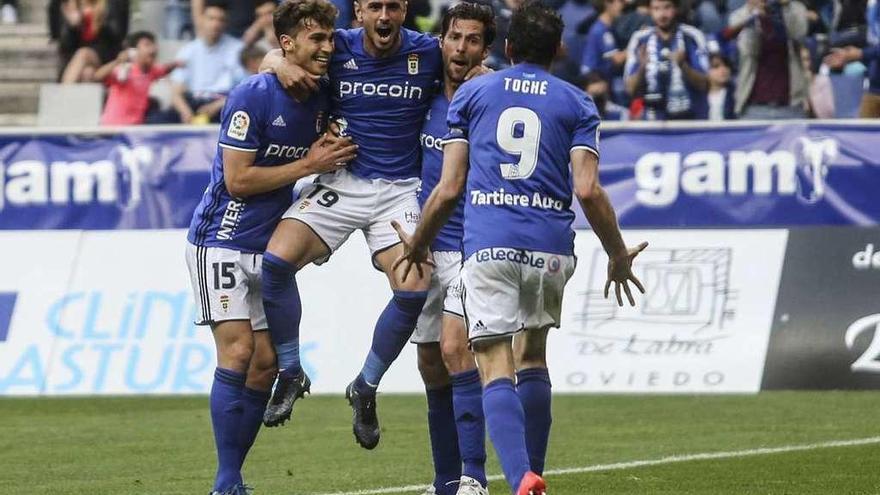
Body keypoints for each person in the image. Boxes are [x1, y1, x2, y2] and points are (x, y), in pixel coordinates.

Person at [393, 1, 647, 493]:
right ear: (559, 49)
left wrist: (419, 242)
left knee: (491, 362)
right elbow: (589, 190)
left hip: (490, 245)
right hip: (552, 249)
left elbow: (448, 189)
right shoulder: (577, 103)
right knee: (532, 355)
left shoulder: (473, 94)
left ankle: (519, 478)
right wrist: (617, 254)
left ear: (506, 48)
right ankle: (535, 467)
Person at [257, 0, 482, 450]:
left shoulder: (427, 52)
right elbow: (276, 54)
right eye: (374, 6)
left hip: (399, 192)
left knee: (415, 289)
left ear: (404, 11)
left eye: (393, 7)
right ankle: (290, 369)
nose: (384, 16)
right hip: (342, 180)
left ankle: (365, 385)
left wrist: (486, 76)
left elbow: (470, 60)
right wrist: (278, 64)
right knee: (275, 263)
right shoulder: (334, 47)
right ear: (357, 11)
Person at [183, 1, 357, 493]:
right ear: (288, 43)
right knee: (238, 353)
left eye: (329, 38)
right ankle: (225, 479)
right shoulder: (250, 97)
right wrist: (307, 164)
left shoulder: (323, 94)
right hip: (221, 238)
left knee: (264, 364)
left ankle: (233, 474)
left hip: (269, 243)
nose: (326, 47)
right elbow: (237, 181)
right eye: (315, 39)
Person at [412, 5, 494, 494]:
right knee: (429, 362)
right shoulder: (418, 91)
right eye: (454, 38)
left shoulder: (492, 98)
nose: (461, 50)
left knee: (454, 349)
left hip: (470, 243)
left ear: (486, 49)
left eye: (473, 40)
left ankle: (474, 477)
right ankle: (445, 482)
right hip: (423, 247)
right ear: (440, 40)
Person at [624, 0, 710, 120]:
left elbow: (704, 84)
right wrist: (642, 67)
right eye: (656, 8)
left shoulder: (693, 36)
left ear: (676, 9)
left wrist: (683, 65)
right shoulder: (639, 39)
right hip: (652, 123)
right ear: (650, 10)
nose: (662, 14)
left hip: (690, 122)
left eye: (667, 7)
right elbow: (630, 90)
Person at [169, 0, 246, 124]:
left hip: (224, 103)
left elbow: (245, 90)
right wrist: (185, 111)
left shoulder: (238, 50)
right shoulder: (188, 50)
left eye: (221, 20)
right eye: (211, 19)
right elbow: (176, 91)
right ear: (202, 20)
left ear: (226, 23)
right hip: (194, 102)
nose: (216, 24)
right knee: (159, 119)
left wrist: (217, 105)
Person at [728, 0, 809, 119]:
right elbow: (748, 50)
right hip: (753, 107)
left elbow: (798, 35)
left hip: (790, 106)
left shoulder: (796, 9)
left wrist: (785, 8)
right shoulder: (739, 15)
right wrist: (754, 14)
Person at [96, 31, 182, 125]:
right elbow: (98, 76)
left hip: (135, 132)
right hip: (113, 131)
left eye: (153, 45)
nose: (153, 49)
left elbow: (165, 69)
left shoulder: (152, 71)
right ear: (134, 52)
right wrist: (117, 61)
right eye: (147, 45)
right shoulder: (124, 71)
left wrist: (179, 63)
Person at [824, 0, 880, 117]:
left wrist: (860, 54)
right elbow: (873, 42)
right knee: (863, 132)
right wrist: (849, 55)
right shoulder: (873, 6)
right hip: (874, 86)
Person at [55, 0, 129, 83]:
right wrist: (72, 27)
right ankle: (71, 94)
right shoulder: (73, 5)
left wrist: (99, 22)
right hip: (79, 59)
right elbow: (66, 46)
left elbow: (117, 33)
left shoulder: (108, 4)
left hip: (105, 53)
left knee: (83, 53)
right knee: (87, 73)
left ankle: (63, 94)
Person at [580, 0, 627, 81]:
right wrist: (635, 45)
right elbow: (617, 59)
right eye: (620, 1)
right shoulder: (600, 30)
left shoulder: (609, 28)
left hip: (604, 78)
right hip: (595, 79)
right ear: (608, 3)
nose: (623, 5)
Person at [706, 52, 736, 120]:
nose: (723, 70)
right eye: (716, 66)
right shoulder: (699, 98)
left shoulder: (735, 95)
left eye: (726, 65)